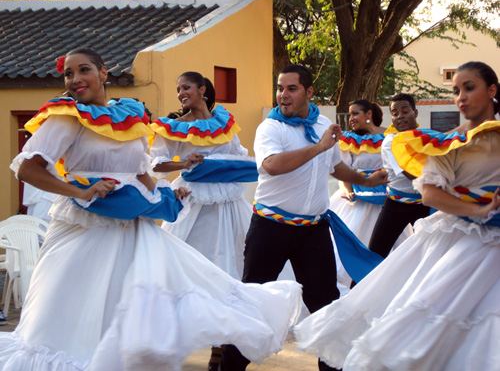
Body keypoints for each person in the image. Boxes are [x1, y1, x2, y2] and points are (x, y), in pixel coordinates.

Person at [0, 48, 302, 370]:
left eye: (84, 70)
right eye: (69, 74)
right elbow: (28, 169)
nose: (75, 80)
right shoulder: (67, 116)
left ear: (104, 73)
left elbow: (143, 172)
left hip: (131, 230)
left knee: (151, 306)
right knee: (70, 328)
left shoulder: (128, 115)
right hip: (83, 232)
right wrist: (81, 190)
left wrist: (168, 194)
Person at [294, 60, 500, 370]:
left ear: (492, 90)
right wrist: (479, 210)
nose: (461, 97)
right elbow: (430, 193)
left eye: (469, 88)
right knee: (434, 323)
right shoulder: (444, 144)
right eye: (456, 91)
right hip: (465, 240)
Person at [221, 64, 388, 371]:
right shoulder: (270, 128)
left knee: (325, 303)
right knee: (253, 302)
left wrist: (368, 180)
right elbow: (271, 165)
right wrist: (318, 146)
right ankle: (228, 366)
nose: (283, 95)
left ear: (309, 92)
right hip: (271, 228)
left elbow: (336, 166)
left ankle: (332, 367)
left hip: (313, 230)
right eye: (280, 88)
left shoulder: (322, 123)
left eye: (291, 88)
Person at [149, 71, 256, 370]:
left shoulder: (225, 123)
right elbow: (155, 163)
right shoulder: (173, 127)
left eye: (186, 87)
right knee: (187, 270)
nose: (181, 93)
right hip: (193, 201)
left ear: (203, 90)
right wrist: (184, 163)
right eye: (178, 88)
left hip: (228, 203)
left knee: (229, 268)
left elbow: (239, 155)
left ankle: (220, 349)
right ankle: (170, 343)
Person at [330, 100, 411, 294]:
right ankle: (355, 287)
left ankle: (388, 287)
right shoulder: (349, 140)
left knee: (394, 246)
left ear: (369, 114)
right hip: (357, 200)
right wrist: (348, 190)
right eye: (350, 115)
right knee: (354, 243)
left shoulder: (390, 136)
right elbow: (343, 169)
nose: (351, 119)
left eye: (355, 114)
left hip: (385, 198)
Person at [367, 93, 430, 258]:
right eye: (395, 113)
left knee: (430, 251)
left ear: (415, 113)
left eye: (405, 111)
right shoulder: (391, 142)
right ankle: (360, 284)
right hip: (397, 205)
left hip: (423, 204)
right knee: (376, 253)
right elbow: (411, 174)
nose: (400, 116)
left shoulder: (425, 138)